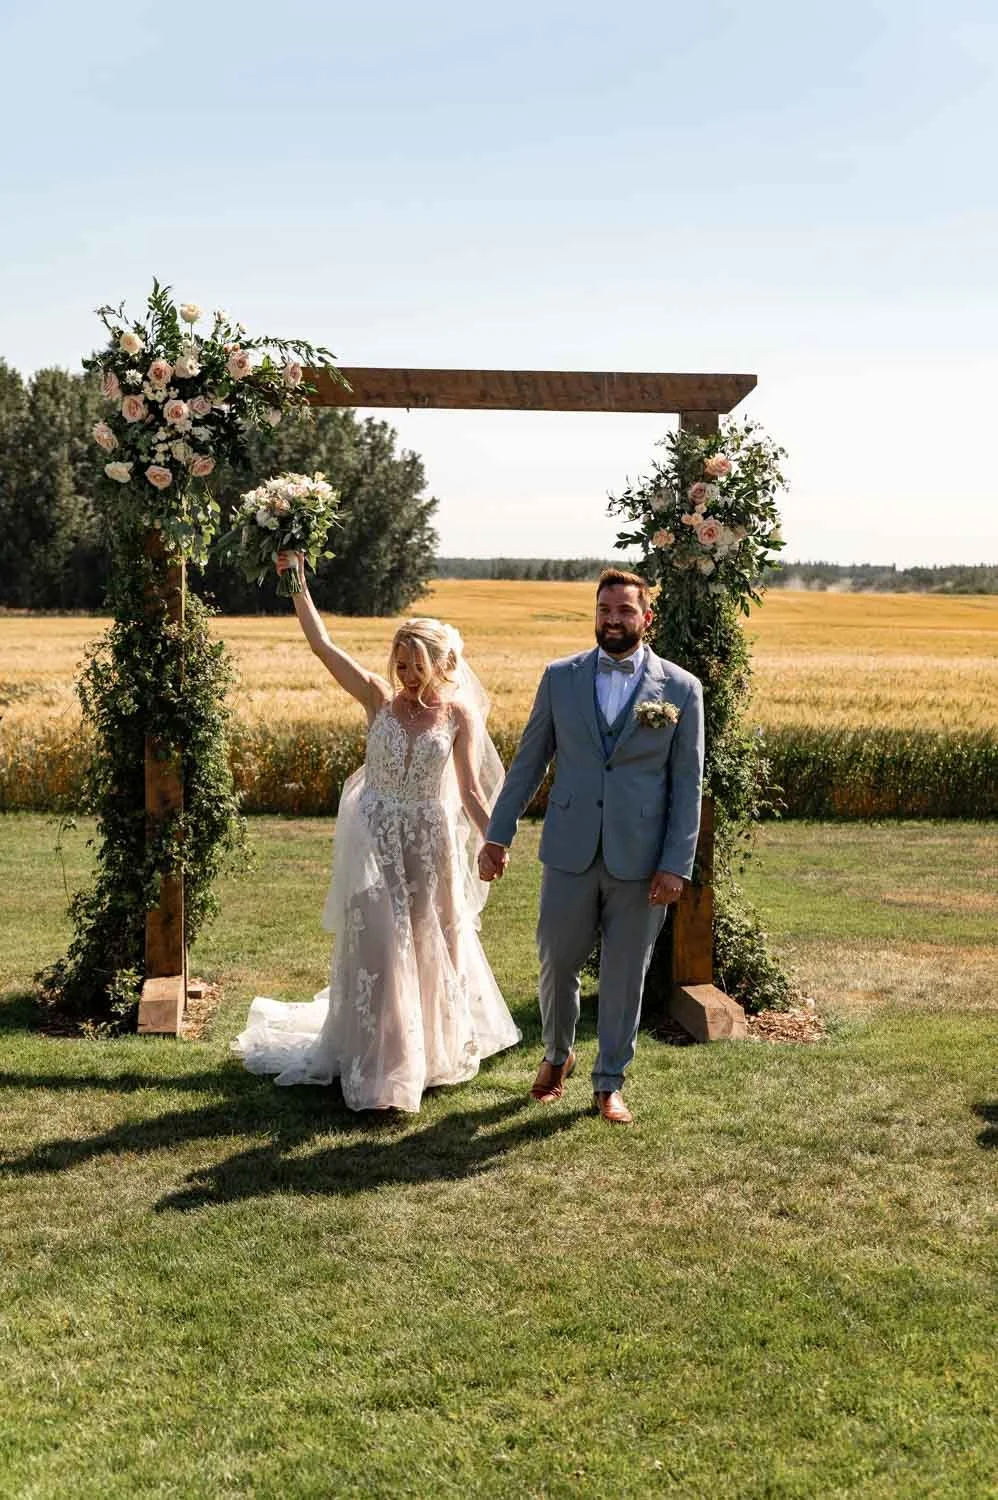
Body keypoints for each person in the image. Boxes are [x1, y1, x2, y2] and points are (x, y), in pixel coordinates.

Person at [232, 552, 520, 1113]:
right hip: (377, 838)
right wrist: (296, 584)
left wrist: (494, 839)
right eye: (401, 664)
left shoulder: (458, 716)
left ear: (442, 664)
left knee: (434, 945)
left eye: (418, 666)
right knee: (382, 948)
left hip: (430, 841)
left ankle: (428, 1053)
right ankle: (385, 1065)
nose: (407, 677)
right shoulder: (377, 699)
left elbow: (470, 792)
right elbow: (322, 647)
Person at [478, 568, 704, 1125]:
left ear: (646, 618)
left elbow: (687, 784)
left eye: (625, 611)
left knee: (627, 972)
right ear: (595, 614)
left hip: (641, 856)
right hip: (570, 849)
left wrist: (676, 865)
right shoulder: (560, 678)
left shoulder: (681, 688)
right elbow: (529, 763)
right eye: (605, 610)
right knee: (556, 960)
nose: (613, 620)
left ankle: (610, 1083)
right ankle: (558, 1056)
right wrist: (497, 834)